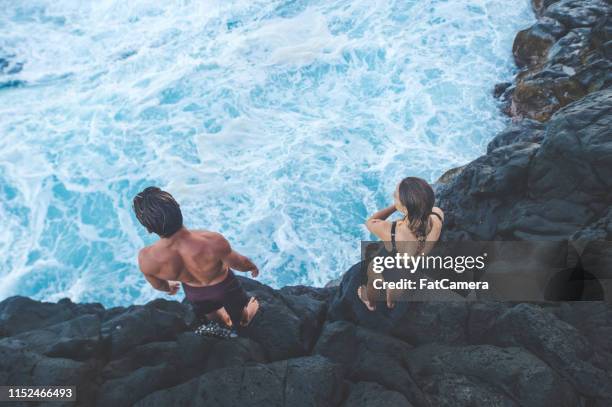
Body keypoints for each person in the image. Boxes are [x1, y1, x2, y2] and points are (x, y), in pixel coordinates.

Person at [133, 186, 260, 336]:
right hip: (225, 288)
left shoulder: (146, 258)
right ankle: (244, 319)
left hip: (195, 294)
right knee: (239, 311)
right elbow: (239, 263)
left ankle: (224, 322)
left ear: (148, 229)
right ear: (179, 209)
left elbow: (158, 284)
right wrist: (251, 267)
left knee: (211, 313)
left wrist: (169, 288)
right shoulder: (211, 240)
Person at [357, 177, 444, 310]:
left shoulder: (392, 231)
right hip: (411, 273)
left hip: (391, 274)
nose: (393, 195)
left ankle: (370, 303)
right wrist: (404, 206)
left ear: (405, 208)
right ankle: (390, 302)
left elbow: (370, 221)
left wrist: (395, 207)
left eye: (395, 196)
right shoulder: (436, 218)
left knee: (373, 274)